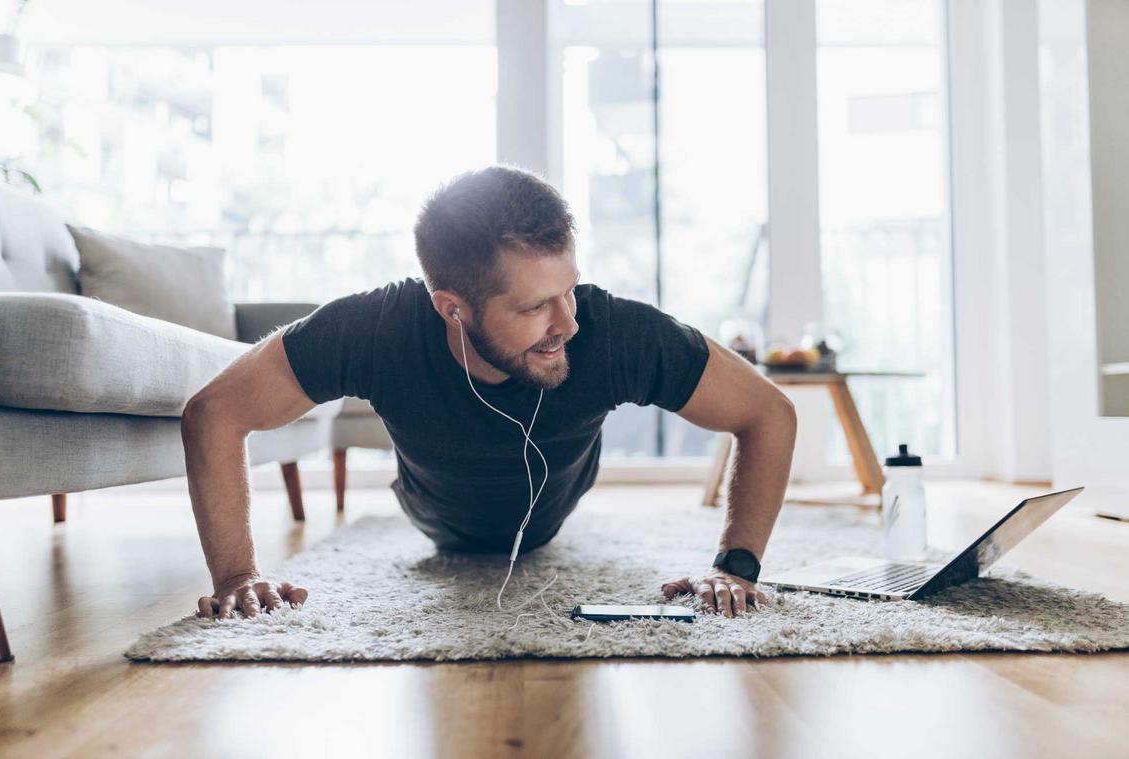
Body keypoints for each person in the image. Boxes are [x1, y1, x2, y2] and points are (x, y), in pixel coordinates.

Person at [181, 165, 797, 622]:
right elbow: (215, 412)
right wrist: (238, 575)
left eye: (570, 290)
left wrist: (734, 565)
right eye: (534, 307)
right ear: (452, 308)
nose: (568, 323)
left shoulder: (616, 333)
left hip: (556, 507)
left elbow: (768, 411)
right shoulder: (375, 328)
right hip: (433, 512)